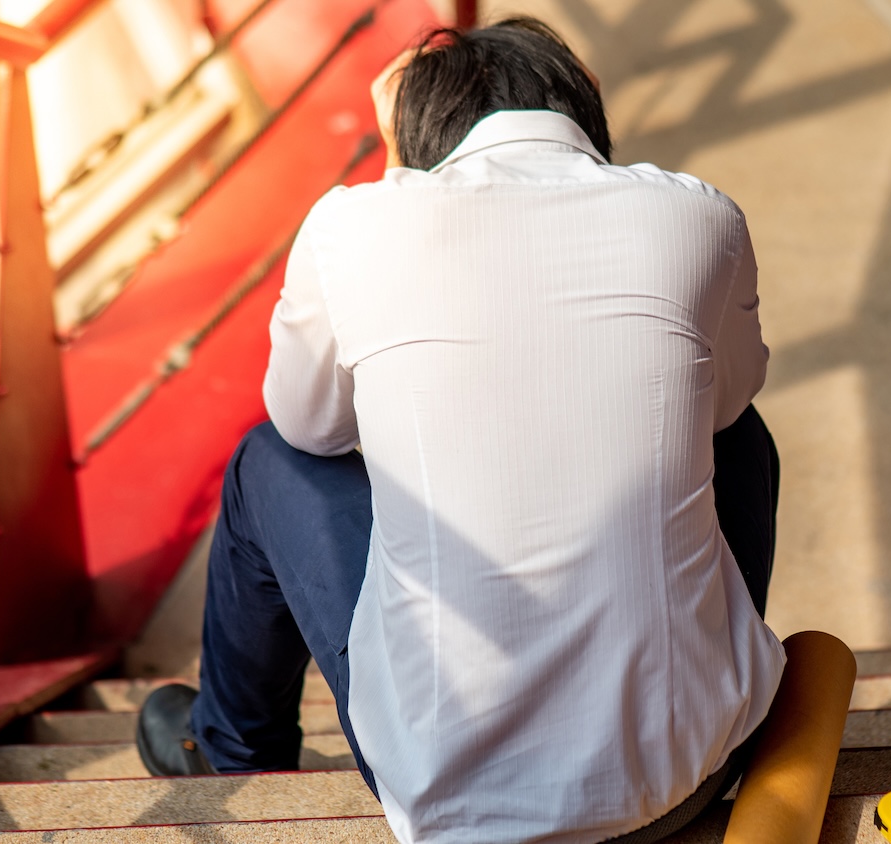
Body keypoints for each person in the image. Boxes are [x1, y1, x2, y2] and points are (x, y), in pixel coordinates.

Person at [135, 17, 786, 844]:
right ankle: (709, 670)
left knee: (267, 462)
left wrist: (398, 169)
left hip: (446, 790)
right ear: (583, 113)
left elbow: (311, 427)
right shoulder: (700, 215)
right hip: (695, 770)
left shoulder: (351, 227)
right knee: (738, 435)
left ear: (417, 144)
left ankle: (235, 752)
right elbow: (732, 403)